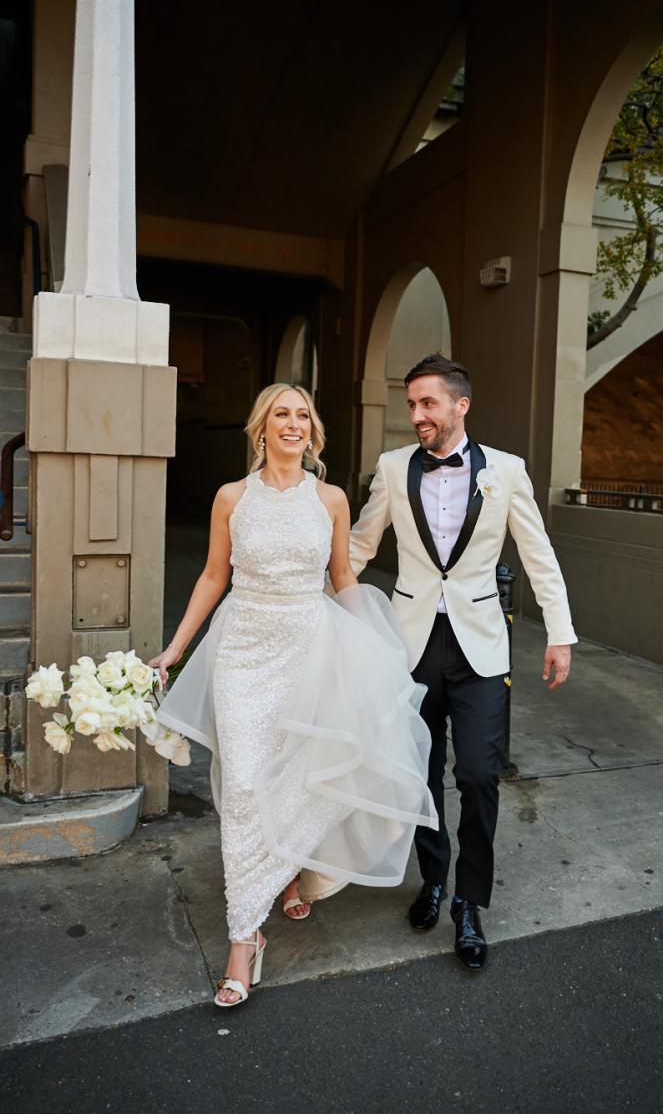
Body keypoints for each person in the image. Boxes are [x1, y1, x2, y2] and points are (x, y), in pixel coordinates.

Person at [150, 383, 437, 1008]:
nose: (293, 424)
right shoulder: (232, 498)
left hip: (310, 646)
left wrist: (370, 651)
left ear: (313, 429)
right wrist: (175, 649)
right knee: (248, 780)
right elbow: (212, 576)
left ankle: (290, 871)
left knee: (301, 772)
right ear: (261, 426)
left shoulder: (329, 498)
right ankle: (243, 938)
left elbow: (342, 576)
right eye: (282, 414)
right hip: (244, 651)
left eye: (303, 414)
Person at [349, 353, 576, 970]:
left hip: (479, 644)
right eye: (411, 404)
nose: (416, 415)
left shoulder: (505, 471)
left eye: (428, 403)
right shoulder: (394, 468)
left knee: (477, 772)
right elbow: (360, 547)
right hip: (410, 643)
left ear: (459, 405)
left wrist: (561, 632)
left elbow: (538, 554)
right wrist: (304, 595)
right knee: (418, 770)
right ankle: (433, 878)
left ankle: (469, 904)